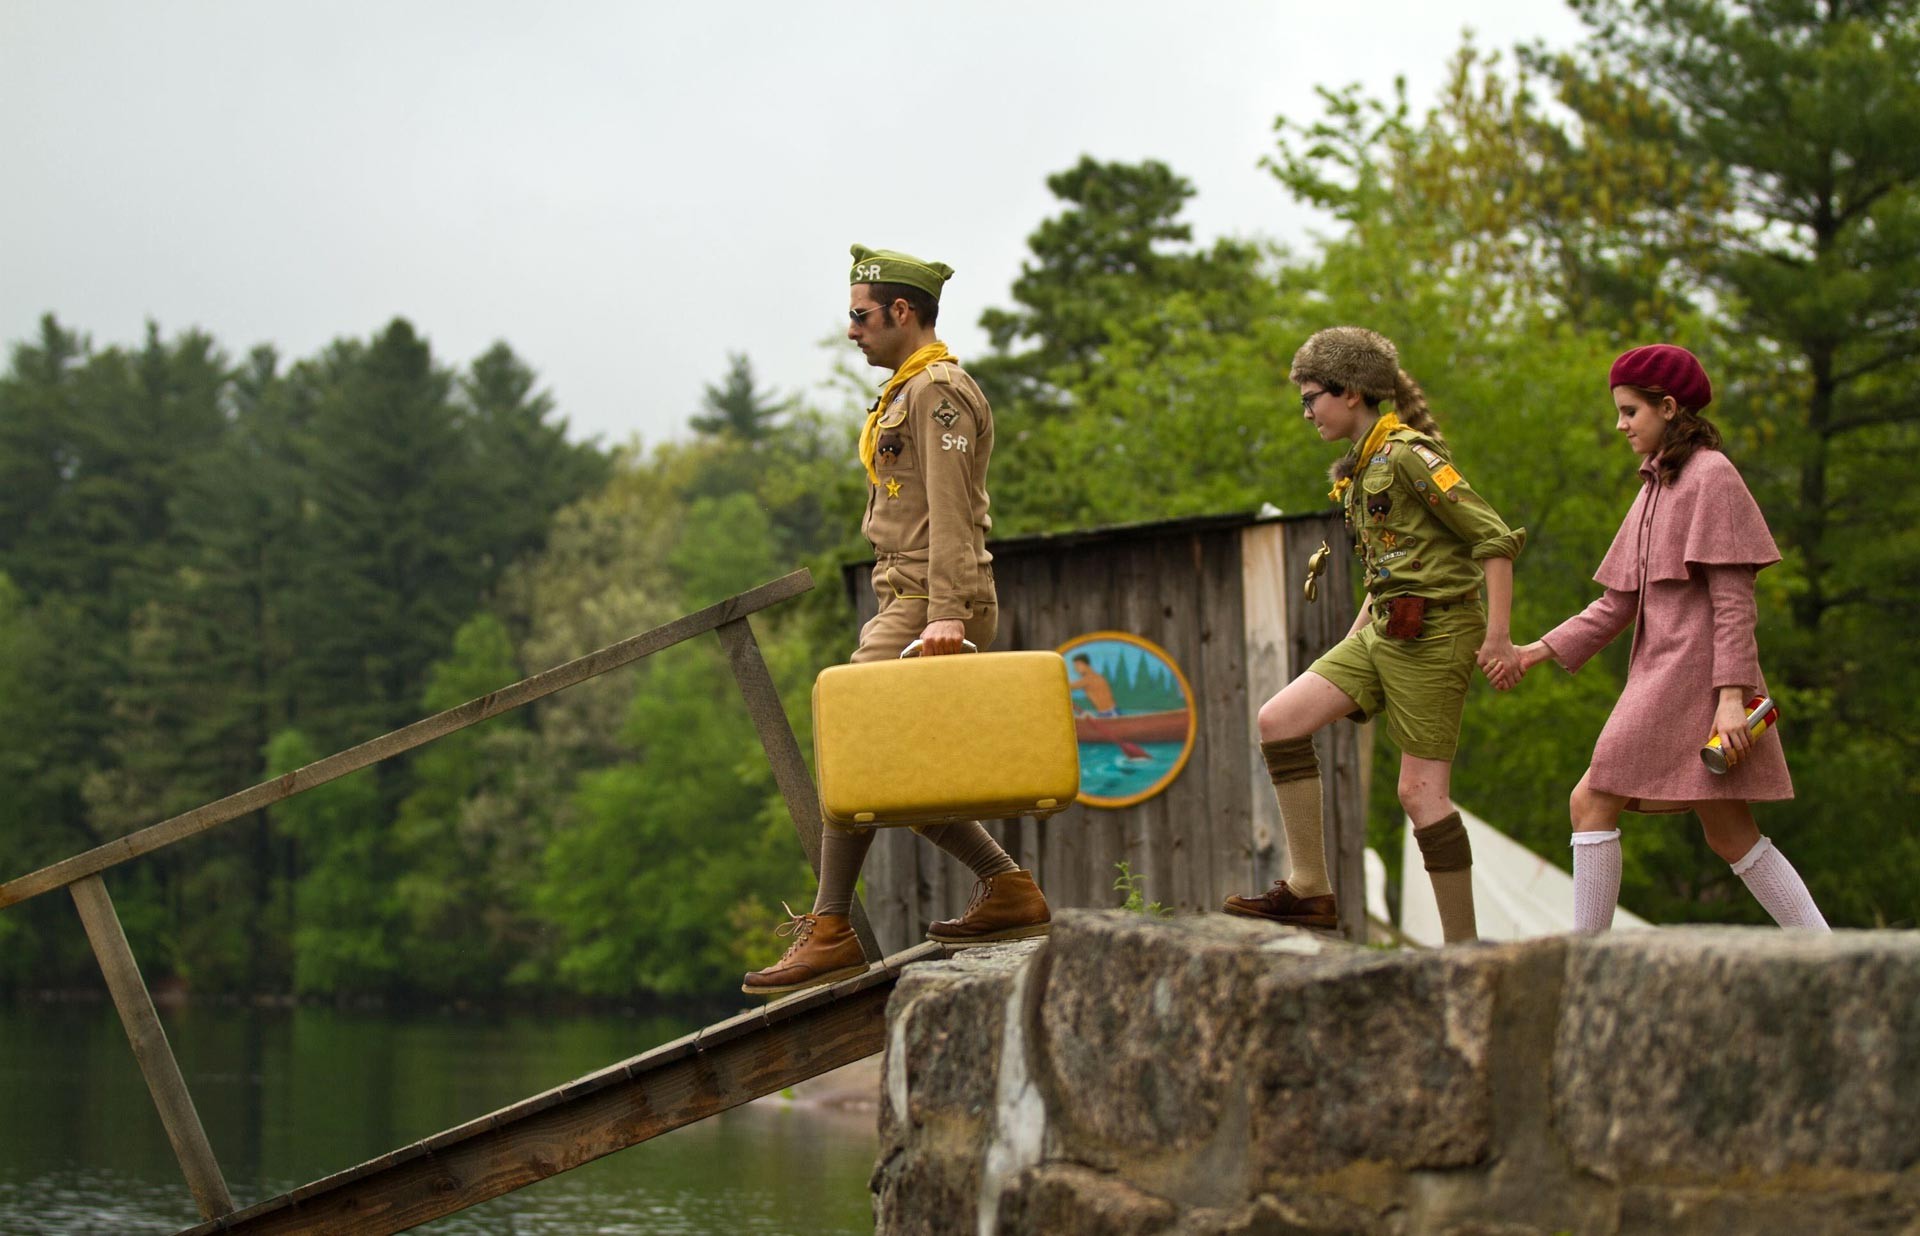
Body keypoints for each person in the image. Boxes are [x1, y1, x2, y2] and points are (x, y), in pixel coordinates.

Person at [742, 245, 1052, 997]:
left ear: (901, 313)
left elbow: (950, 510)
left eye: (860, 315)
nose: (852, 331)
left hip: (928, 598)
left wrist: (946, 611)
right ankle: (1007, 888)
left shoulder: (937, 392)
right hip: (904, 595)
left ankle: (830, 929)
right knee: (895, 770)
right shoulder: (908, 394)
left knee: (858, 747)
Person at [1221, 327, 1525, 942]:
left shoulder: (1410, 456)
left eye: (1313, 398)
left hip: (1437, 632)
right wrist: (1351, 645)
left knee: (1420, 794)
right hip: (1385, 625)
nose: (1307, 412)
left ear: (1353, 392)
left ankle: (1462, 951)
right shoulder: (1362, 467)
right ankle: (1310, 889)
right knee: (1279, 720)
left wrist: (1498, 639)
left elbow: (1494, 539)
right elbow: (1389, 568)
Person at [1510, 345, 1826, 932]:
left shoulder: (1712, 475)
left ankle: (1588, 962)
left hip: (1693, 680)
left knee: (1591, 800)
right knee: (1730, 832)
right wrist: (1534, 652)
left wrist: (1731, 697)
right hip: (1665, 674)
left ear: (1670, 406)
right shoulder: (1657, 484)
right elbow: (1616, 603)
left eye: (1630, 411)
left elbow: (1734, 601)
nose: (1620, 424)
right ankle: (1827, 950)